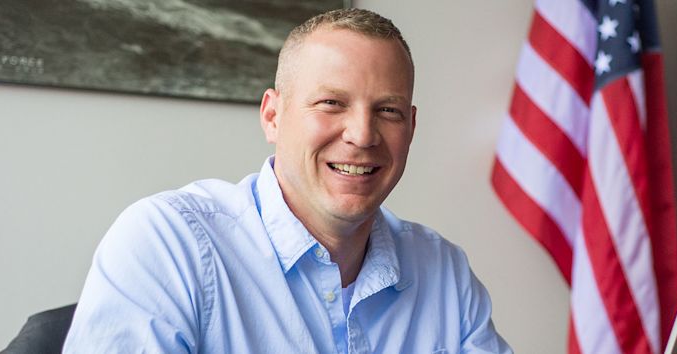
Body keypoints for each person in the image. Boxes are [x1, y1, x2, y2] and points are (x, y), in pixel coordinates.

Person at [63, 8, 512, 353]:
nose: (362, 134)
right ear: (273, 116)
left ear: (411, 129)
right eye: (332, 103)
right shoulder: (168, 244)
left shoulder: (445, 274)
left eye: (387, 110)